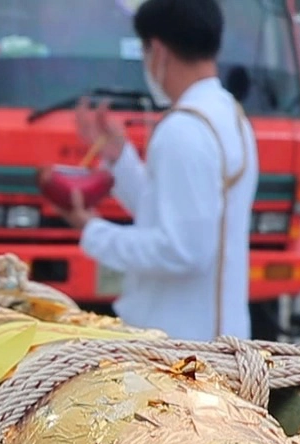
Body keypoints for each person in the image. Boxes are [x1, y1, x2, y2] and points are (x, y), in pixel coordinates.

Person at [60, 0, 256, 342]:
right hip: (217, 337)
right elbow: (174, 212)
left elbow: (182, 250)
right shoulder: (232, 118)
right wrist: (120, 158)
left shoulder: (182, 129)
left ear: (159, 51)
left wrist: (94, 231)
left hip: (176, 347)